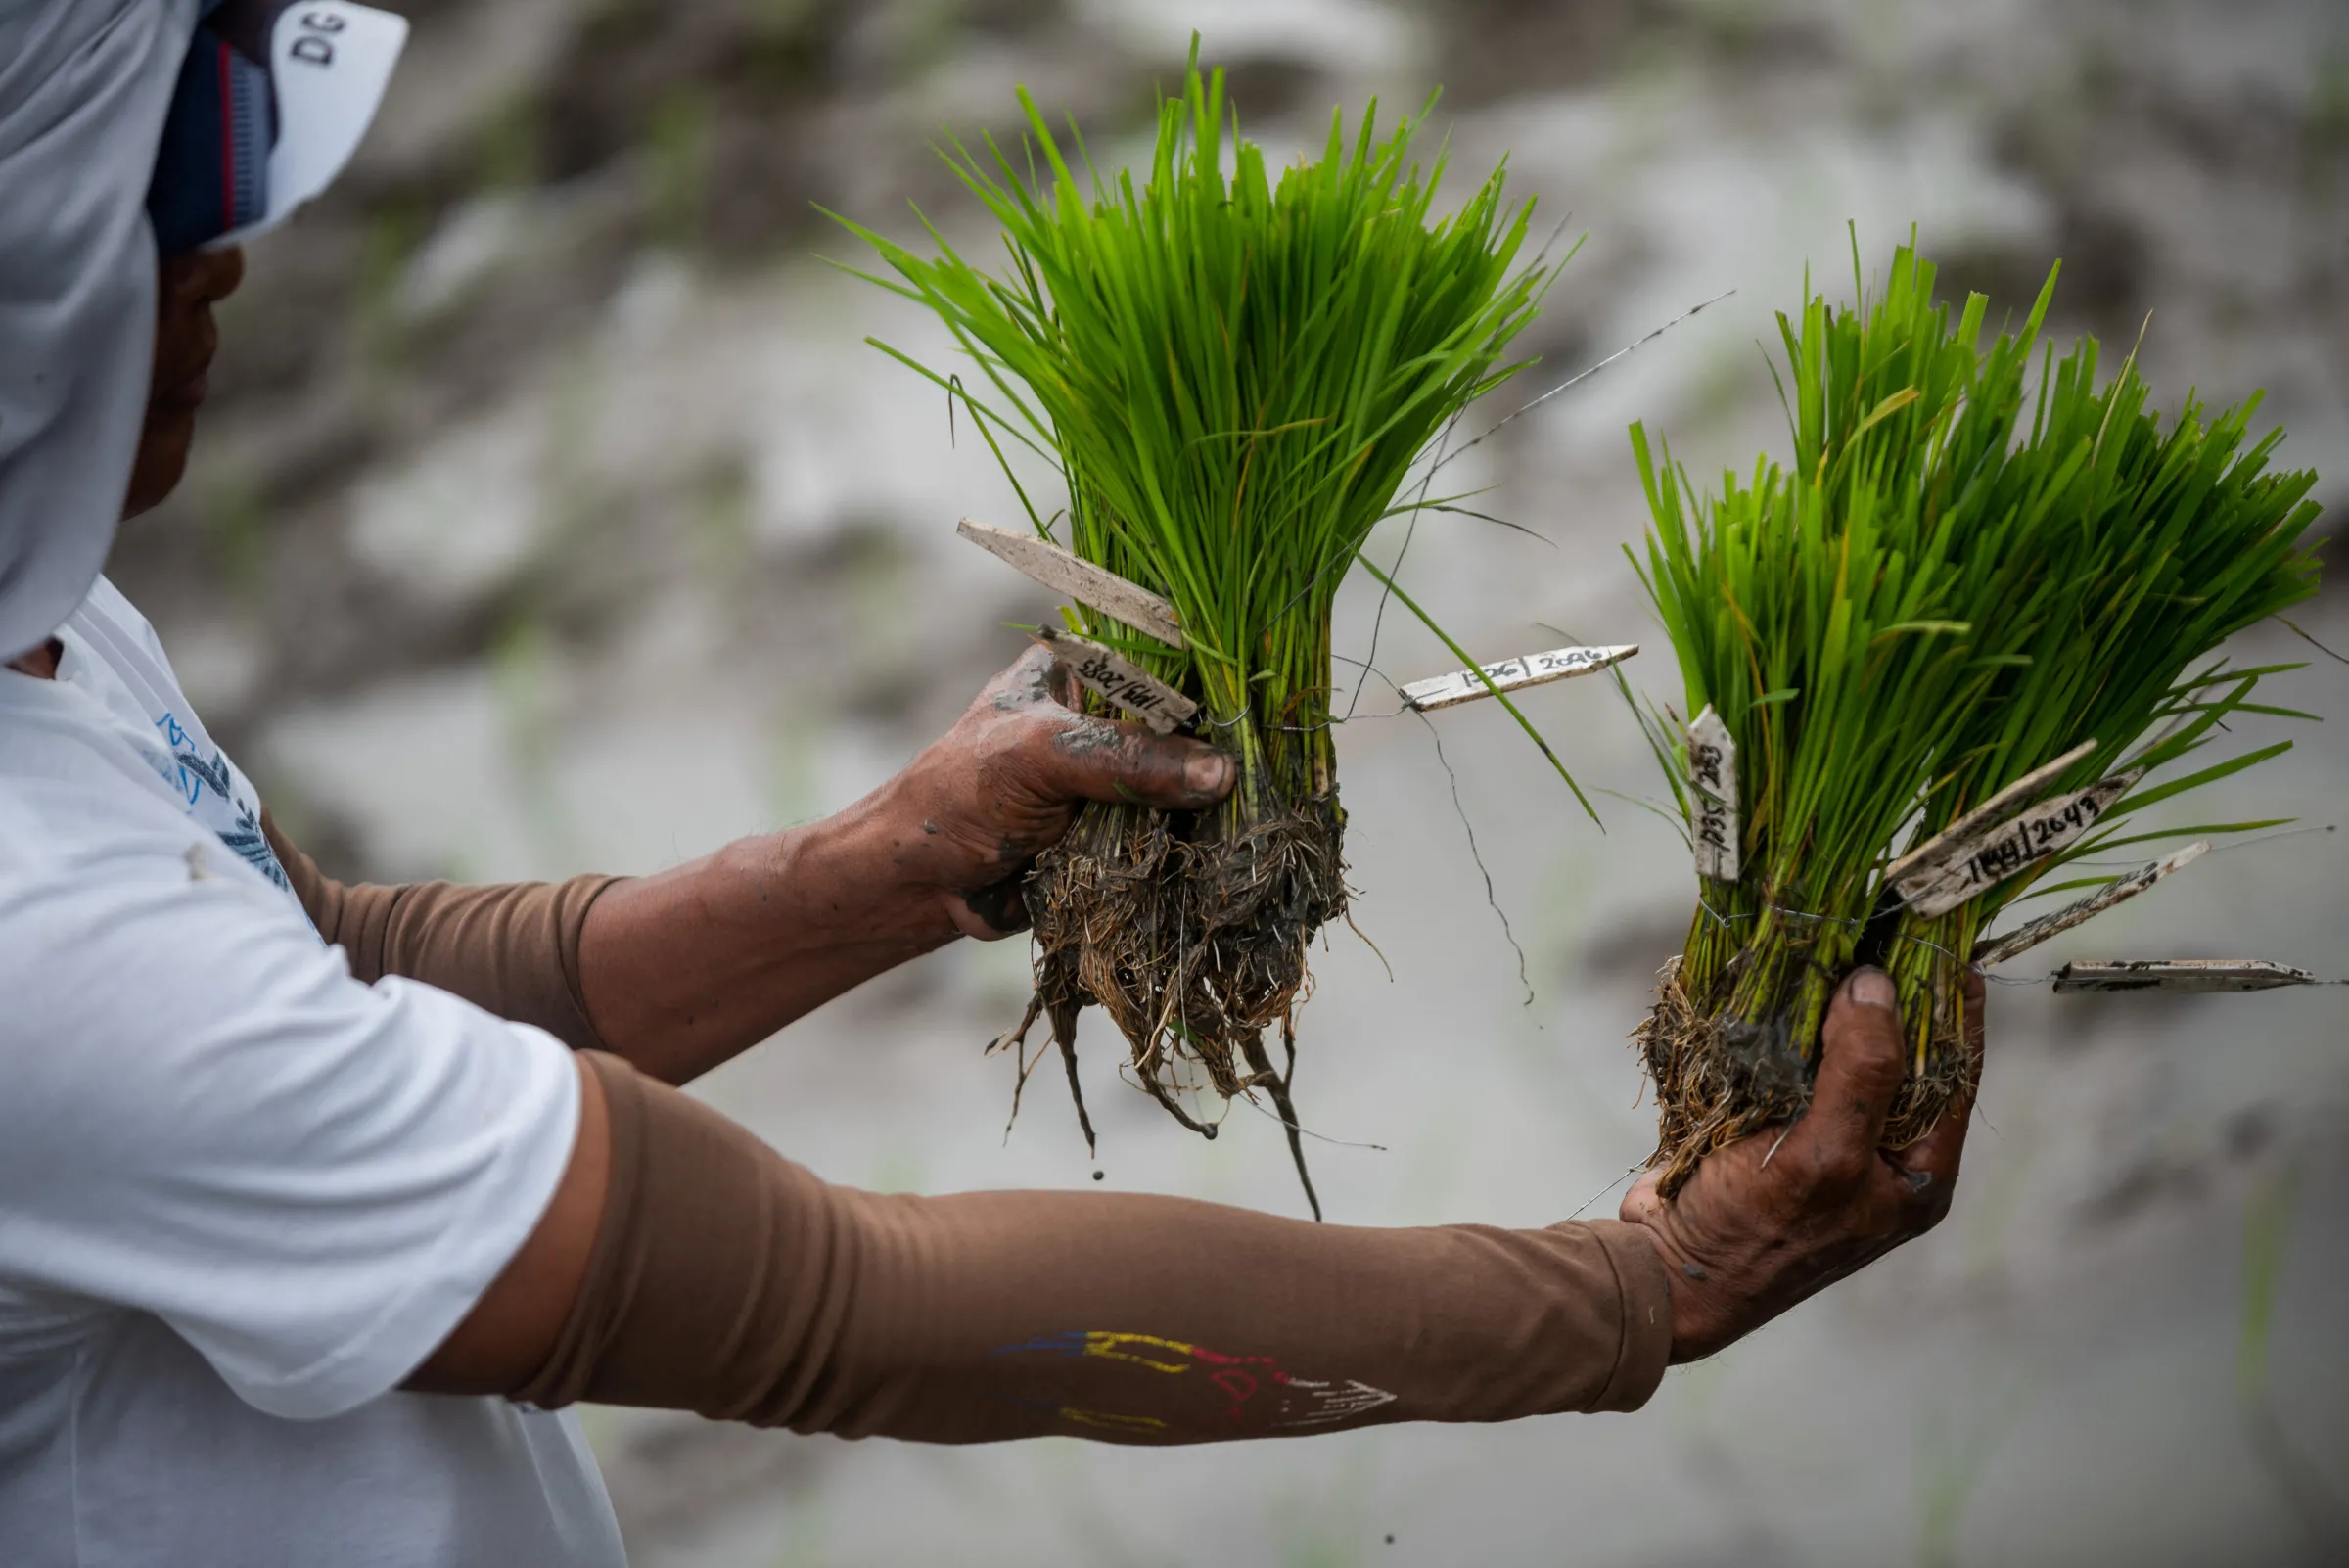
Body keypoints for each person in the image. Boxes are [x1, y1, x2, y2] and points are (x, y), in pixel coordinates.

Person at [0, 3, 1984, 1564]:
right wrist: (1631, 1291)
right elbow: (836, 1306)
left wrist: (880, 865)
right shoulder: (32, 956)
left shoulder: (49, 625)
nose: (233, 246)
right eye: (177, 162)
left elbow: (312, 965)